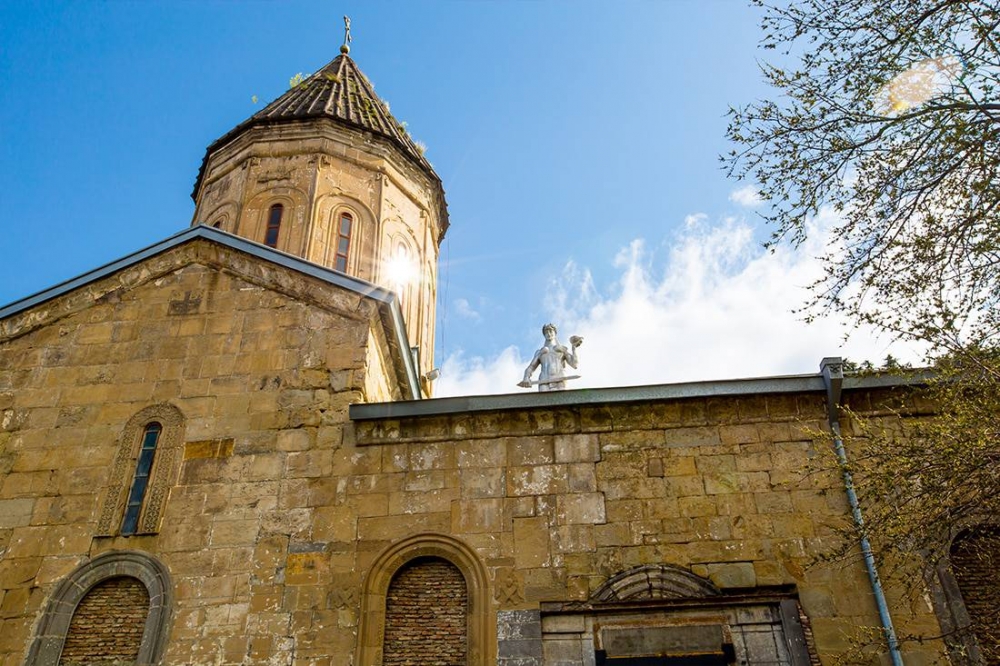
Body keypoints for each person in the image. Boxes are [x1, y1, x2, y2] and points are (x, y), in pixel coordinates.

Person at [518, 323, 582, 392]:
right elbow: (531, 367)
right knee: (544, 401)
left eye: (551, 331)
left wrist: (573, 349)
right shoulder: (540, 352)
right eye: (546, 332)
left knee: (562, 400)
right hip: (544, 381)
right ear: (544, 335)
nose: (548, 334)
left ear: (555, 333)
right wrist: (526, 377)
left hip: (560, 378)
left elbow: (574, 365)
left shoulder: (562, 349)